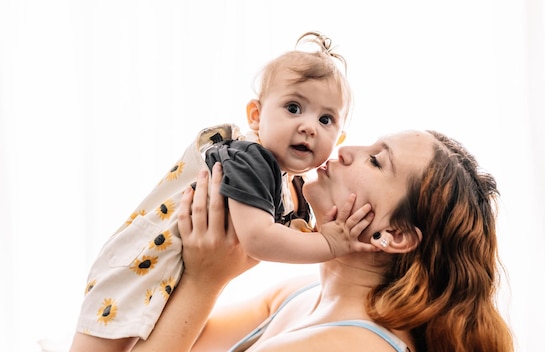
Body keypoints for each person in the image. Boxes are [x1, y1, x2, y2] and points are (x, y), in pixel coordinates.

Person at [70, 32, 376, 351]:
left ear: (338, 138)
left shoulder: (294, 183)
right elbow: (258, 239)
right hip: (138, 267)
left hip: (170, 276)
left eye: (326, 119)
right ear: (256, 116)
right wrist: (328, 243)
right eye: (294, 108)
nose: (309, 126)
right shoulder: (251, 159)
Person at [125, 129, 515, 351]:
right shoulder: (301, 295)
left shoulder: (349, 346)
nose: (345, 151)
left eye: (376, 161)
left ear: (393, 235)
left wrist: (205, 279)